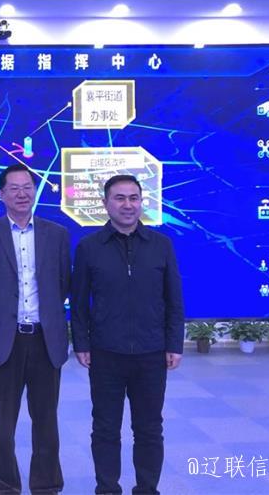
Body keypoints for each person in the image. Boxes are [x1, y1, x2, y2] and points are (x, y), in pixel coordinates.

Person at [70, 174, 184, 495]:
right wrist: (81, 342)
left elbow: (174, 299)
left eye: (134, 198)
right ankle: (107, 488)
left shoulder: (161, 245)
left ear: (141, 202)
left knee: (149, 429)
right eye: (119, 198)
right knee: (105, 429)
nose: (128, 205)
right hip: (106, 353)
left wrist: (174, 343)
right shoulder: (89, 248)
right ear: (106, 203)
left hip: (151, 353)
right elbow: (78, 302)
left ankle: (147, 488)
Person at [0, 163, 71, 494]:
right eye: (14, 188)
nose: (22, 193)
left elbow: (62, 285)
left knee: (46, 422)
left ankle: (46, 485)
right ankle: (5, 485)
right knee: (2, 426)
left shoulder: (57, 234)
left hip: (44, 339)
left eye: (27, 187)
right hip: (4, 341)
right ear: (1, 194)